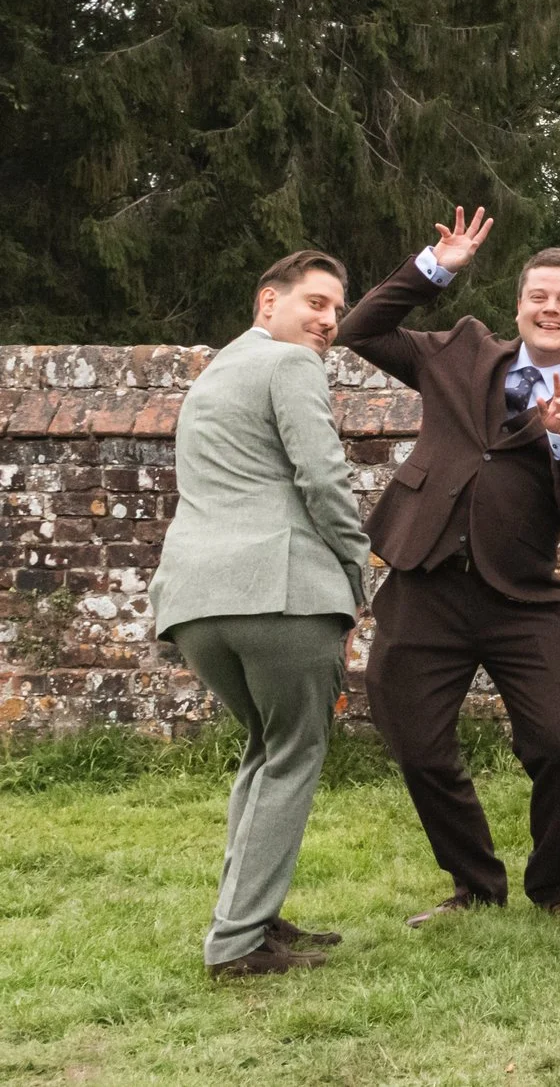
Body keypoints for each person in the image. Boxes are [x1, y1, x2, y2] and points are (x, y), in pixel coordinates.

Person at [339, 211, 560, 929]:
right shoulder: (461, 351)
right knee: (415, 737)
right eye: (539, 295)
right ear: (520, 304)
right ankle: (473, 883)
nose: (550, 308)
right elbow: (361, 329)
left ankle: (555, 885)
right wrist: (435, 265)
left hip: (523, 597)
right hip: (426, 577)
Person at [149, 252, 371, 978]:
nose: (328, 321)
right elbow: (322, 474)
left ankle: (250, 914)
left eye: (336, 310)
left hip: (195, 604)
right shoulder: (290, 365)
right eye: (315, 302)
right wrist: (356, 567)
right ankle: (238, 942)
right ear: (265, 302)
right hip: (279, 592)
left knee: (264, 748)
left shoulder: (213, 376)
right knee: (294, 752)